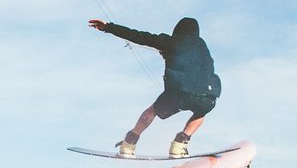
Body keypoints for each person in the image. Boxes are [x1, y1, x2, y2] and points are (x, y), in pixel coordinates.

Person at [88, 16, 221, 157]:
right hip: (207, 96)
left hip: (178, 93)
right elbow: (192, 62)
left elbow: (139, 36)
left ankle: (129, 144)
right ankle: (179, 145)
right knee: (201, 113)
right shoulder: (203, 47)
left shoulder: (170, 41)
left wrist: (108, 27)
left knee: (152, 111)